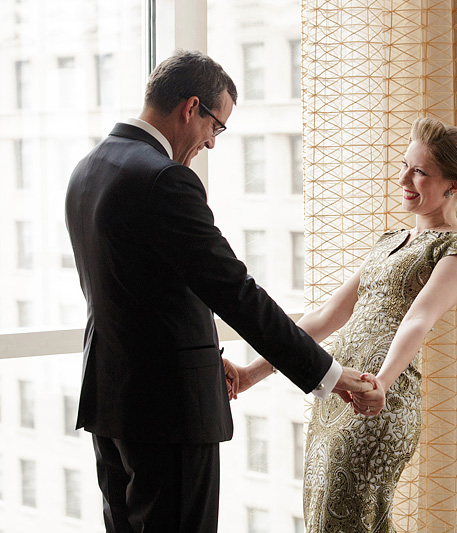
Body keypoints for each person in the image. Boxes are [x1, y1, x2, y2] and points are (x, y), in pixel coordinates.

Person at [64, 50, 374, 533]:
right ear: (191, 108)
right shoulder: (165, 179)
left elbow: (139, 295)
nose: (211, 142)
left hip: (112, 403)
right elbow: (235, 292)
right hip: (170, 413)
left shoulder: (90, 168)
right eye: (216, 126)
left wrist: (204, 352)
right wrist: (328, 375)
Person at [228, 116, 457, 531]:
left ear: (453, 186)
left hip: (379, 401)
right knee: (325, 517)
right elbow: (323, 318)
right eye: (405, 164)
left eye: (419, 171)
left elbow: (417, 321)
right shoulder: (389, 241)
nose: (403, 177)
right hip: (336, 397)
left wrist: (381, 383)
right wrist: (248, 375)